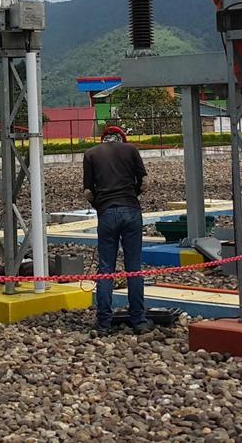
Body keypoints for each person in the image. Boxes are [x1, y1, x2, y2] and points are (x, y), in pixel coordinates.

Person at [82, 125, 152, 335]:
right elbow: (146, 182)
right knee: (134, 267)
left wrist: (100, 207)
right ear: (121, 137)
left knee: (105, 269)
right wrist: (134, 195)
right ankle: (139, 321)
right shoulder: (131, 150)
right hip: (131, 210)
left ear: (103, 138)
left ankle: (103, 323)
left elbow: (88, 192)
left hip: (106, 213)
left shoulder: (90, 154)